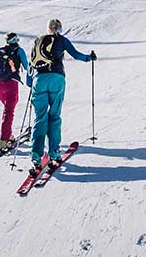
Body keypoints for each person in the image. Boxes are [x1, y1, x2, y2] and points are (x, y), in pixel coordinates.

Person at [29, 18, 96, 174]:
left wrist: (29, 82)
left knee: (40, 117)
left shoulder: (38, 41)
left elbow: (31, 65)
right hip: (57, 79)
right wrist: (89, 58)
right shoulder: (61, 40)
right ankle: (54, 153)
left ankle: (36, 156)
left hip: (38, 80)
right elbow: (76, 55)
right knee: (54, 115)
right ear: (59, 28)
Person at [0, 32, 30, 153]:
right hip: (10, 84)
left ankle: (8, 135)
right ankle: (4, 140)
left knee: (7, 110)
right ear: (16, 40)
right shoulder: (19, 50)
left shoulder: (1, 51)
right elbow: (27, 67)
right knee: (9, 111)